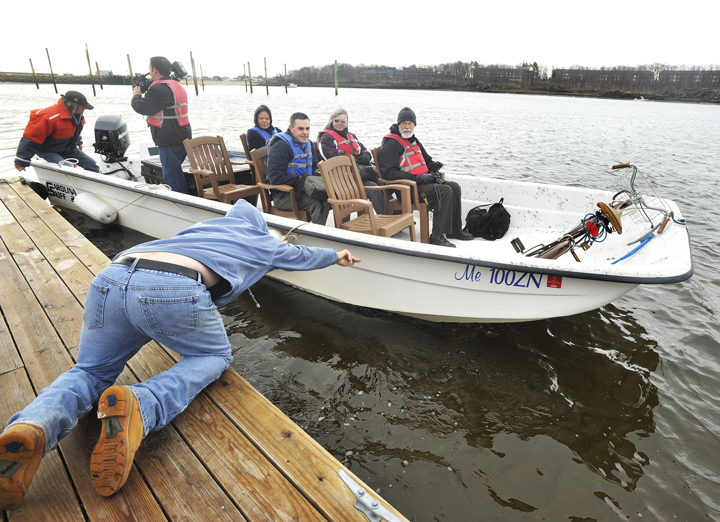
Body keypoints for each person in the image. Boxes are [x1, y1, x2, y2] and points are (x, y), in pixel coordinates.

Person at [0, 199, 359, 510]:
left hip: (111, 277)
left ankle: (32, 426)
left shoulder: (203, 228)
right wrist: (336, 256)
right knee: (215, 357)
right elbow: (301, 256)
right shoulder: (261, 239)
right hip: (172, 286)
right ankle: (143, 404)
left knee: (90, 371)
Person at [378, 107, 474, 247]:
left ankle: (454, 230)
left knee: (454, 187)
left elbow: (427, 160)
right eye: (403, 123)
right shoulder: (391, 144)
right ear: (398, 125)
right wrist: (417, 179)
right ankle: (436, 236)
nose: (407, 127)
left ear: (414, 125)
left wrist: (433, 168)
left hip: (421, 183)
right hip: (407, 189)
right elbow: (388, 173)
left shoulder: (413, 140)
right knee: (444, 191)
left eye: (410, 123)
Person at [131, 56, 192, 194]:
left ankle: (180, 205)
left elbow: (142, 107)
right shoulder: (175, 85)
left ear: (154, 69)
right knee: (175, 173)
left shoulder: (159, 89)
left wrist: (136, 95)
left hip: (169, 139)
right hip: (182, 135)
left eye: (150, 69)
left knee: (173, 179)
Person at [266, 112, 331, 224]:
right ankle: (316, 237)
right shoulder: (281, 146)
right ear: (291, 128)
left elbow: (314, 168)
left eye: (307, 128)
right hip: (283, 194)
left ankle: (345, 232)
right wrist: (301, 182)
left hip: (304, 188)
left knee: (334, 198)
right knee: (320, 204)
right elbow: (275, 178)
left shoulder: (309, 144)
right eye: (300, 129)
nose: (305, 133)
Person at [317, 108, 385, 215]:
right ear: (331, 121)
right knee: (373, 188)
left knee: (381, 183)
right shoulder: (326, 138)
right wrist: (354, 159)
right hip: (341, 179)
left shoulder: (351, 136)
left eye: (343, 121)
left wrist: (366, 156)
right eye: (336, 121)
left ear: (347, 122)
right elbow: (331, 159)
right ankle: (383, 219)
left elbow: (363, 149)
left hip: (356, 175)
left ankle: (391, 215)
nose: (340, 123)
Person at [14, 91, 99, 173]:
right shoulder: (49, 117)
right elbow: (31, 138)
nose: (85, 109)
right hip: (47, 150)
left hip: (68, 148)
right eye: (83, 106)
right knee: (67, 168)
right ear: (75, 105)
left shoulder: (78, 116)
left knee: (92, 165)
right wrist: (22, 160)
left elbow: (75, 131)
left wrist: (78, 142)